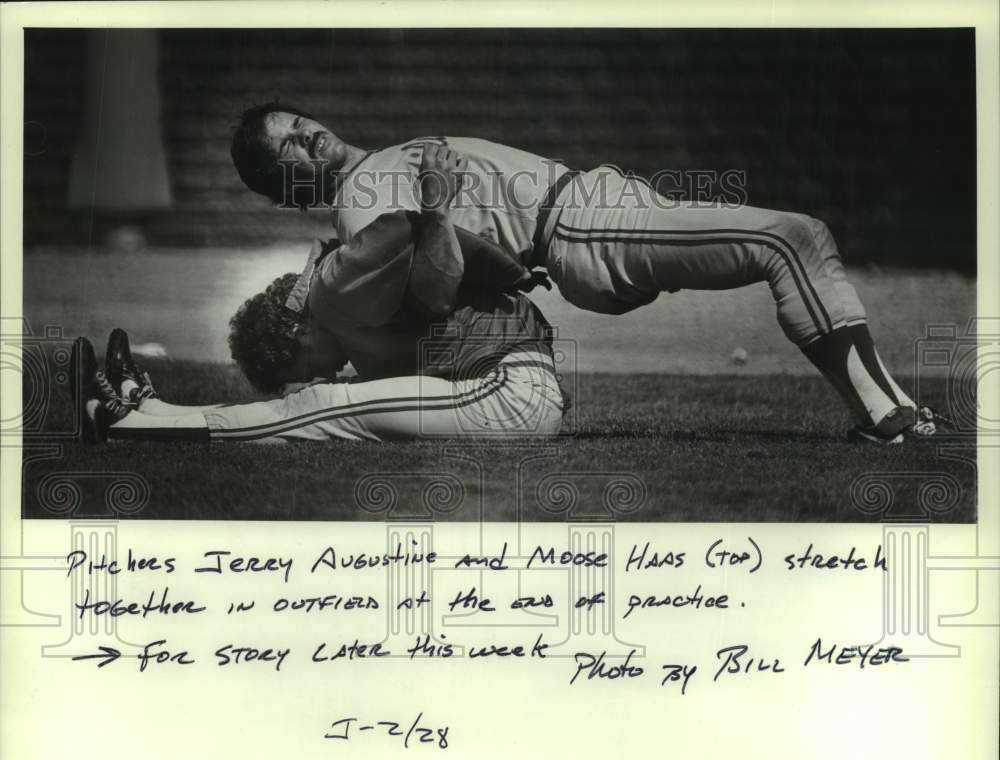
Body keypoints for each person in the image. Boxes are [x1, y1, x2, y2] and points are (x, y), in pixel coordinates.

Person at [229, 101, 948, 444]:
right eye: (287, 146)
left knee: (792, 242)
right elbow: (428, 290)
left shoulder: (371, 172)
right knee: (792, 239)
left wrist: (498, 264)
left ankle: (886, 414)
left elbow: (446, 252)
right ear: (281, 185)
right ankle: (888, 418)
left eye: (295, 121)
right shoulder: (358, 200)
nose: (304, 133)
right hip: (580, 225)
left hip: (587, 212)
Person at [71, 148, 564, 444]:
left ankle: (123, 426)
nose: (323, 371)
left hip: (511, 392)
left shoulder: (334, 292)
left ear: (298, 329)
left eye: (305, 364)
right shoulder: (353, 310)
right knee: (321, 404)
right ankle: (150, 408)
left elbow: (406, 227)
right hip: (505, 388)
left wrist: (507, 267)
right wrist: (508, 271)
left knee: (319, 407)